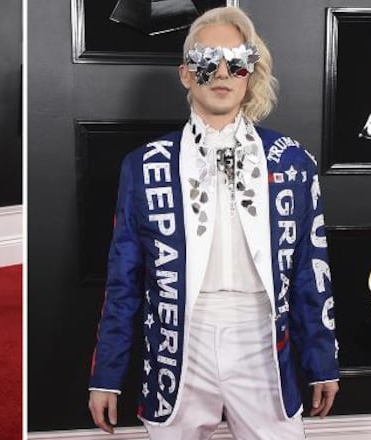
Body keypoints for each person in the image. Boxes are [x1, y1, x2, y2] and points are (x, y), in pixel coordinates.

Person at [88, 6, 339, 439]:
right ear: (186, 74)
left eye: (236, 61)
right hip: (179, 336)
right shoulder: (144, 167)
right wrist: (106, 374)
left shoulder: (294, 162)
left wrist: (322, 362)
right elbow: (123, 281)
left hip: (262, 335)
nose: (222, 73)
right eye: (207, 62)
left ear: (249, 71)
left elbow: (308, 271)